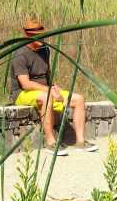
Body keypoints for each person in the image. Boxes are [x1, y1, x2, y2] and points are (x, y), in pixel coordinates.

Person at [10, 18, 98, 156]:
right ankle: (51, 142)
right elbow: (26, 84)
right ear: (28, 36)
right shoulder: (20, 54)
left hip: (45, 89)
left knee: (79, 99)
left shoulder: (45, 50)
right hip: (22, 93)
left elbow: (47, 75)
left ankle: (81, 141)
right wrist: (50, 91)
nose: (42, 38)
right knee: (46, 98)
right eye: (36, 35)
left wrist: (55, 88)